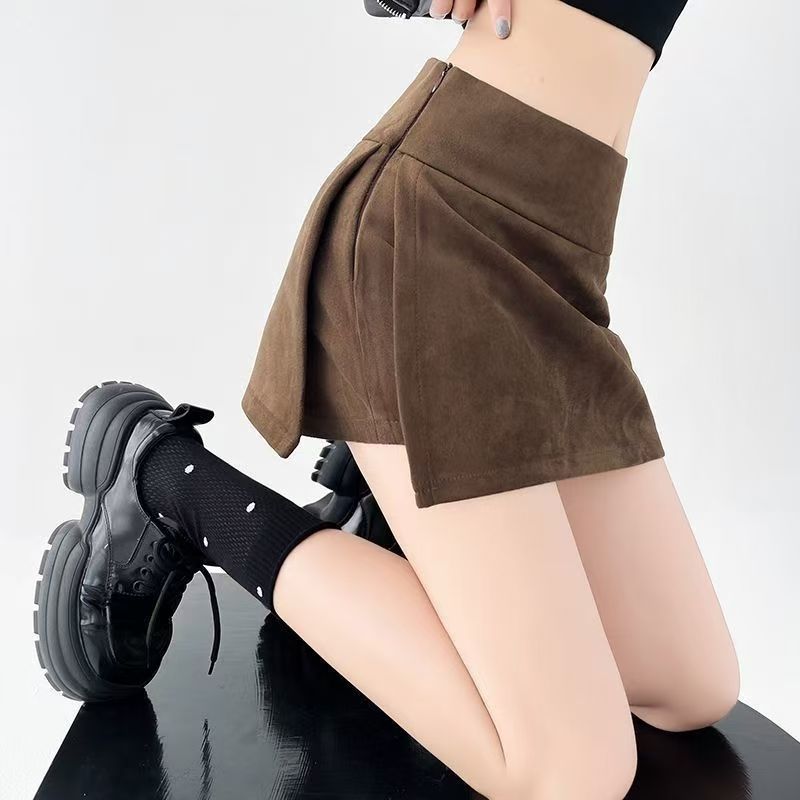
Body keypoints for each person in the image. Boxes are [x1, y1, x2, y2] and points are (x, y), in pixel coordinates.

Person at [33, 2, 741, 798]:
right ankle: (173, 488)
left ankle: (392, 514)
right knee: (572, 773)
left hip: (558, 266)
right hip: (437, 244)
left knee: (691, 686)